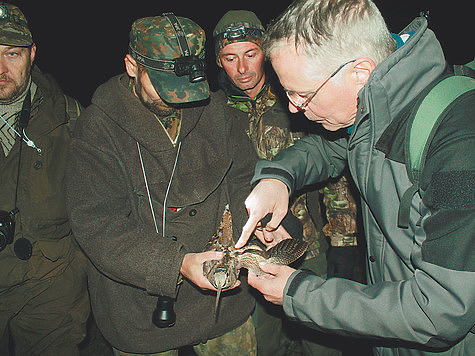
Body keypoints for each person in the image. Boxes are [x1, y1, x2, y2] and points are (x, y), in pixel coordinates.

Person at [235, 0, 475, 355]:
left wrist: (300, 294)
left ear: (360, 73)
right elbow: (329, 149)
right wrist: (277, 178)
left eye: (302, 94)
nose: (292, 108)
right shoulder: (376, 104)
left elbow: (440, 310)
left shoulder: (458, 146)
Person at [64, 13, 259, 355]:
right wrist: (176, 263)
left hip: (221, 301)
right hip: (139, 308)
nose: (177, 97)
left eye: (185, 84)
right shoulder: (97, 129)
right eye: (163, 84)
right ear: (131, 66)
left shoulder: (217, 112)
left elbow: (243, 178)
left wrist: (258, 225)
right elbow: (98, 224)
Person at [213, 9, 359, 356]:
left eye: (251, 54)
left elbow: (331, 166)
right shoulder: (214, 112)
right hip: (249, 251)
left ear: (265, 51)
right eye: (230, 58)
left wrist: (343, 240)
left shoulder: (295, 97)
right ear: (219, 62)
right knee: (265, 344)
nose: (243, 68)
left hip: (306, 246)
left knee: (321, 341)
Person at [0, 3, 90, 355]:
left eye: (12, 54)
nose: (2, 68)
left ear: (32, 54)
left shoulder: (70, 117)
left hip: (50, 288)